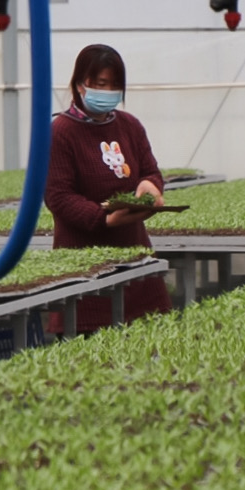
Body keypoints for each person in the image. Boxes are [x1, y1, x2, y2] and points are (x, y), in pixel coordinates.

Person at [43, 43, 171, 333]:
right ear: (80, 84)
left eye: (115, 85)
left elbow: (150, 171)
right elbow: (59, 197)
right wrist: (104, 219)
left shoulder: (130, 126)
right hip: (84, 270)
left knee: (150, 350)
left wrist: (150, 186)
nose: (109, 91)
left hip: (136, 263)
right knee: (90, 351)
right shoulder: (60, 132)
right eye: (101, 84)